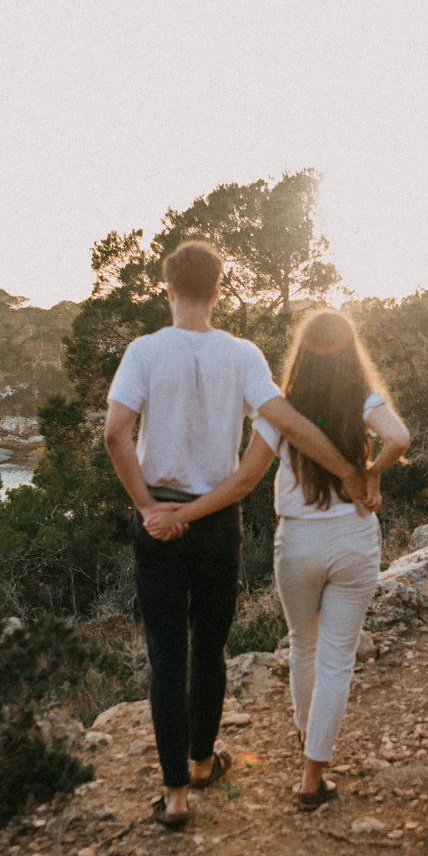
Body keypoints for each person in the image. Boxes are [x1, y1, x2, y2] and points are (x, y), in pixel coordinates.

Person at [104, 242, 378, 829]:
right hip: (217, 520)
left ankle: (176, 795)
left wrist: (151, 507)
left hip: (159, 521)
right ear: (220, 291)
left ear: (169, 288)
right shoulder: (242, 354)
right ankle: (203, 762)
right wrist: (349, 471)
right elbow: (285, 426)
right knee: (209, 647)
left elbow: (115, 435)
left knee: (166, 653)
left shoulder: (145, 351)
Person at [146, 309, 410, 809]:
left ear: (302, 354)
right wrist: (372, 472)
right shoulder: (363, 399)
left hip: (299, 542)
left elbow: (244, 480)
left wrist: (182, 511)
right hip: (354, 538)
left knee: (303, 650)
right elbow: (399, 438)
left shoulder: (278, 411)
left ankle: (305, 735)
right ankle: (312, 777)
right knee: (336, 660)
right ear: (351, 351)